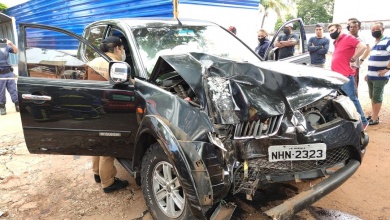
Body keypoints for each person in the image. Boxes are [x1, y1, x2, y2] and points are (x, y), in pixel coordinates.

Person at [88, 36, 129, 193]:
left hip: (92, 109)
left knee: (97, 144)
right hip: (108, 111)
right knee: (108, 147)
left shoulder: (93, 62)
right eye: (123, 48)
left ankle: (97, 174)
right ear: (117, 48)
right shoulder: (116, 65)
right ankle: (108, 182)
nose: (123, 51)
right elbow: (129, 85)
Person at [327, 23, 368, 130]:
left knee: (352, 99)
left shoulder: (348, 38)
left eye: (332, 30)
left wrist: (354, 58)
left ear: (339, 29)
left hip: (346, 75)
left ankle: (363, 121)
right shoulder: (336, 42)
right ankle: (349, 120)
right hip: (337, 76)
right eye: (330, 31)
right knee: (342, 100)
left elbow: (363, 46)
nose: (331, 33)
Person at [364, 22, 390, 125]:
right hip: (371, 76)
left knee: (377, 97)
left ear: (383, 29)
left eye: (377, 29)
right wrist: (368, 74)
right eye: (373, 30)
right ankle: (374, 115)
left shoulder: (387, 41)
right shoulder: (375, 43)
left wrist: (386, 69)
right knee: (372, 97)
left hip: (380, 77)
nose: (375, 32)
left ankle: (374, 119)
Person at [347, 18, 370, 96]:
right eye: (350, 26)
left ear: (358, 28)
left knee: (354, 84)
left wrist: (361, 60)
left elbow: (367, 48)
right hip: (344, 65)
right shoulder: (345, 37)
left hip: (354, 66)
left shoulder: (361, 38)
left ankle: (355, 101)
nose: (352, 28)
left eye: (354, 26)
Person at [0, 38, 19, 115]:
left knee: (13, 89)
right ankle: (2, 107)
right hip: (0, 73)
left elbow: (16, 51)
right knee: (1, 91)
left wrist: (11, 44)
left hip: (9, 72)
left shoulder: (7, 47)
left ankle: (17, 104)